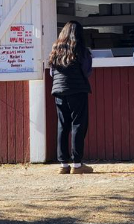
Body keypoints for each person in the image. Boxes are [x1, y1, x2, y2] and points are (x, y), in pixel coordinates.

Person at [48, 20, 93, 174]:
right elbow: (86, 70)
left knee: (62, 125)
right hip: (77, 89)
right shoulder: (81, 49)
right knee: (78, 125)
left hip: (59, 90)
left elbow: (51, 71)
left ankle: (63, 164)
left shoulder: (56, 48)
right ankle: (77, 164)